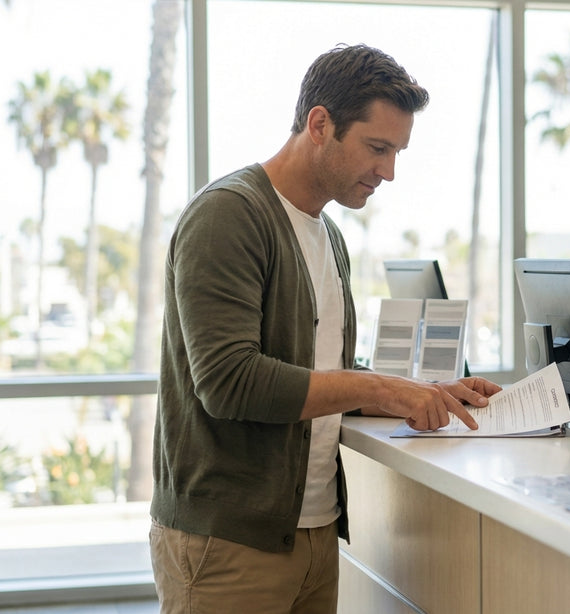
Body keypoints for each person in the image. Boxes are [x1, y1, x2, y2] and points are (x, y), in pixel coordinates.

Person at [148, 44, 502, 613]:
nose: (388, 171)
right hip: (229, 544)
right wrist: (383, 388)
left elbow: (322, 376)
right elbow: (229, 382)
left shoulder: (327, 234)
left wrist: (426, 394)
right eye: (378, 148)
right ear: (320, 124)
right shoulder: (227, 216)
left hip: (315, 534)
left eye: (396, 152)